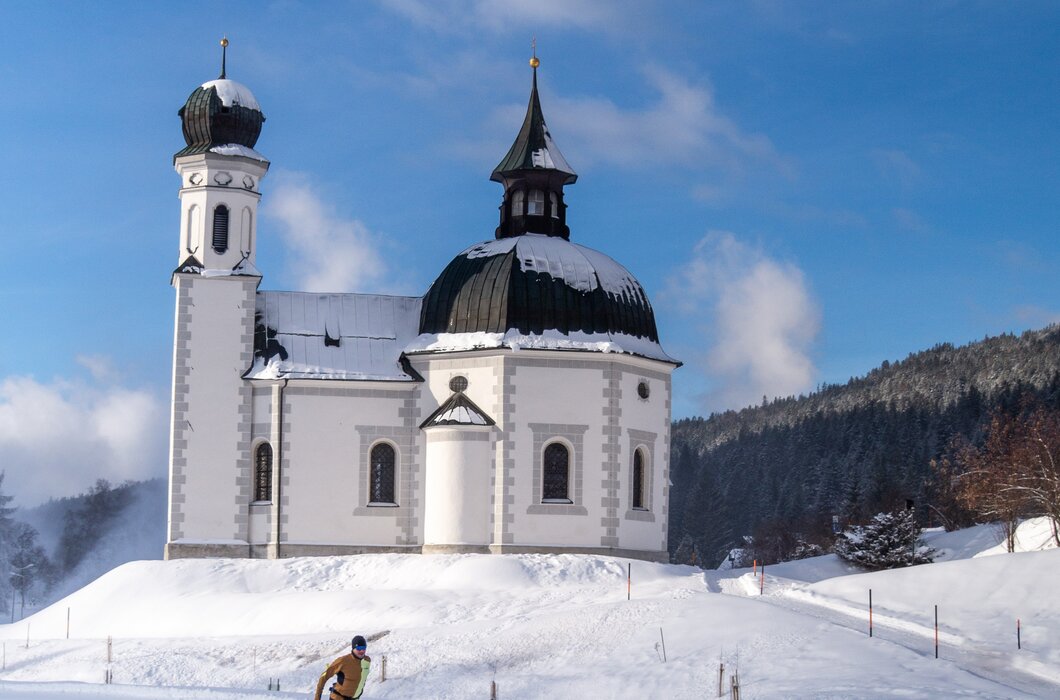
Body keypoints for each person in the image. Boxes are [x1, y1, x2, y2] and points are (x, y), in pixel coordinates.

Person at [314, 635, 371, 700]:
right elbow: (323, 677)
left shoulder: (366, 661)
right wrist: (317, 698)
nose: (362, 651)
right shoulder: (343, 661)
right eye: (359, 648)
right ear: (353, 648)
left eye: (364, 648)